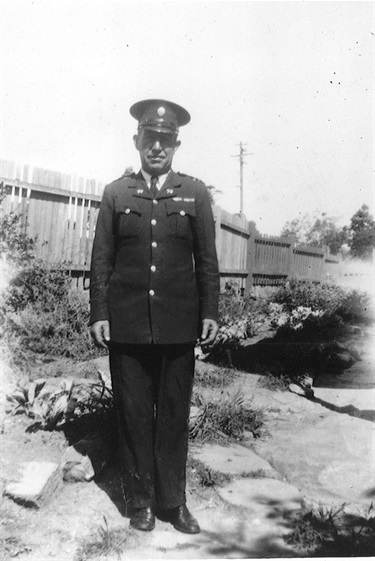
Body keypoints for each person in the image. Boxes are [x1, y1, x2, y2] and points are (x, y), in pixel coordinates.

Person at [89, 99, 220, 534]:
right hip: (126, 325)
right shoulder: (116, 193)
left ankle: (173, 502)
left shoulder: (195, 193)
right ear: (137, 141)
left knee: (174, 415)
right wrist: (98, 313)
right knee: (132, 413)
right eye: (150, 139)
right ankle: (141, 501)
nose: (157, 148)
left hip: (178, 325)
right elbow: (101, 260)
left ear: (176, 144)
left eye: (165, 141)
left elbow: (207, 260)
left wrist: (211, 312)